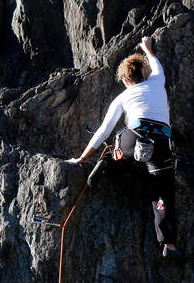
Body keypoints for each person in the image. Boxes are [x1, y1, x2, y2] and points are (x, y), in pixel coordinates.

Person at [67, 36, 184, 262]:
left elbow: (103, 130)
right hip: (161, 143)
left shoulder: (122, 97)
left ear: (125, 79)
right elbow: (155, 61)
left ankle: (110, 161)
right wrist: (147, 49)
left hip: (133, 140)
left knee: (118, 142)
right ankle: (169, 244)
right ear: (144, 74)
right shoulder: (157, 80)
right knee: (163, 190)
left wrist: (81, 158)